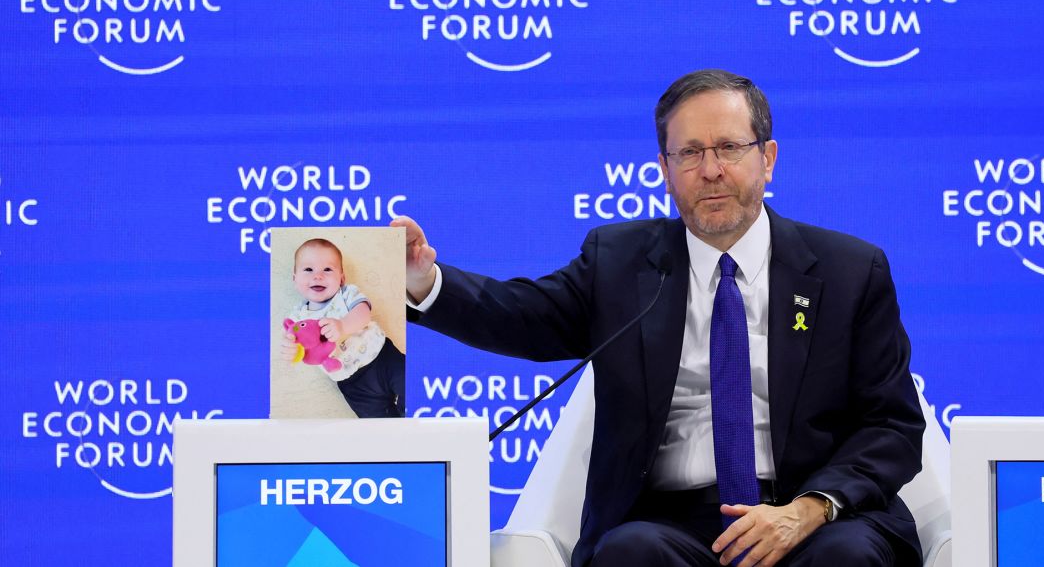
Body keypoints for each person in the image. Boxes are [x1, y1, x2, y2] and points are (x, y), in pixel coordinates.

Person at [394, 70, 925, 566]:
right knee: (632, 553)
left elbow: (892, 425)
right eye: (689, 153)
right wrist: (424, 282)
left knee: (849, 557)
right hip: (673, 523)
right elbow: (520, 316)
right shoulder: (621, 263)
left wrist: (810, 508)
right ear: (664, 171)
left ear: (768, 158)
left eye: (729, 148)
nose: (711, 170)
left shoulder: (849, 271)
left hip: (816, 515)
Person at [282, 238, 406, 418]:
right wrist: (290, 349)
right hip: (352, 382)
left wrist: (342, 325)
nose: (318, 276)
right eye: (308, 269)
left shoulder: (346, 294)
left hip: (383, 357)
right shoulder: (297, 318)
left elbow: (363, 313)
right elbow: (293, 342)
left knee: (412, 387)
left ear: (341, 278)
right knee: (380, 425)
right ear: (295, 279)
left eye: (327, 269)